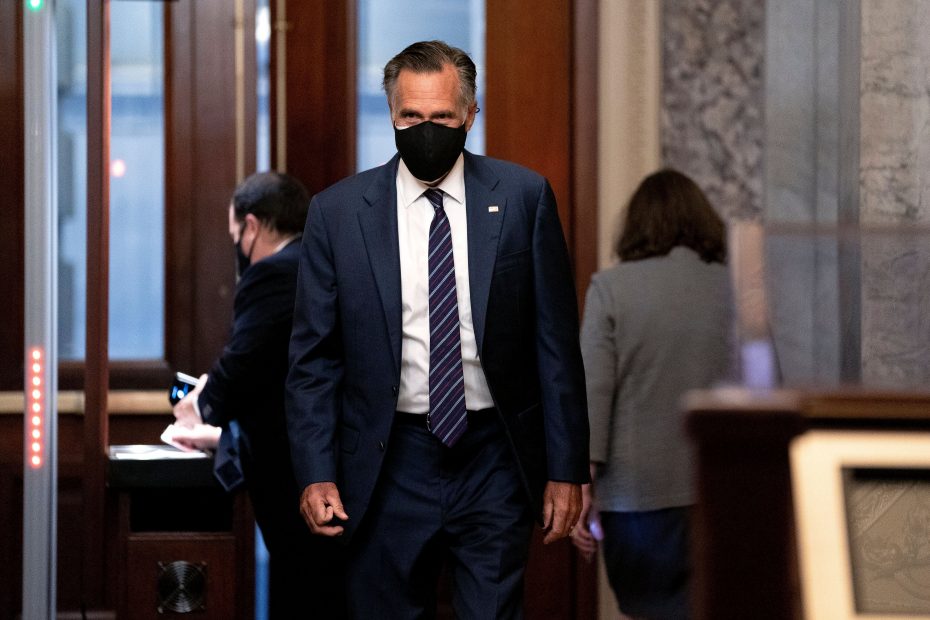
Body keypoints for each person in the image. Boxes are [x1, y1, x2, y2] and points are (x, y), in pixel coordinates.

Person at [285, 40, 589, 619]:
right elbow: (313, 361)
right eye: (411, 116)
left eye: (442, 117)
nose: (426, 129)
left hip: (493, 455)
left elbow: (555, 346)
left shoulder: (523, 198)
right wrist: (315, 472)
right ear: (391, 114)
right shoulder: (338, 213)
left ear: (470, 115)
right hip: (386, 461)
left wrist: (566, 468)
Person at [172, 171, 346, 619]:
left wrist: (198, 407)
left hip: (297, 477)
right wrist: (224, 436)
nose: (237, 248)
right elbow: (279, 378)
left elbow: (243, 364)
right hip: (341, 464)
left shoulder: (273, 273)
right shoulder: (329, 262)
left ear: (251, 226)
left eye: (236, 236)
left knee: (305, 591)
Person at [571, 169, 733, 619]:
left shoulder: (611, 289)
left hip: (636, 501)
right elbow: (766, 387)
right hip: (720, 494)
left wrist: (580, 493)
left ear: (637, 225)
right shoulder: (737, 288)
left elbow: (593, 394)